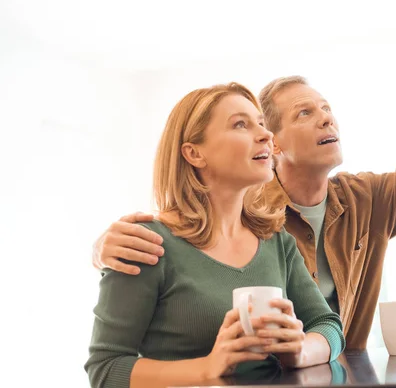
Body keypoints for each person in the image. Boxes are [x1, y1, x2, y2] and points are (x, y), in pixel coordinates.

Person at [92, 44, 396, 349]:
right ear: (273, 143)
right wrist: (100, 250)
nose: (327, 118)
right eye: (304, 113)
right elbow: (182, 232)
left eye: (326, 108)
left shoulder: (367, 198)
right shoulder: (248, 206)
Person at [85, 83, 345, 388]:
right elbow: (106, 368)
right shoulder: (146, 244)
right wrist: (207, 369)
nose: (265, 135)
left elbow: (327, 325)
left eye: (261, 124)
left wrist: (299, 350)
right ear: (194, 153)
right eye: (240, 124)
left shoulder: (276, 241)